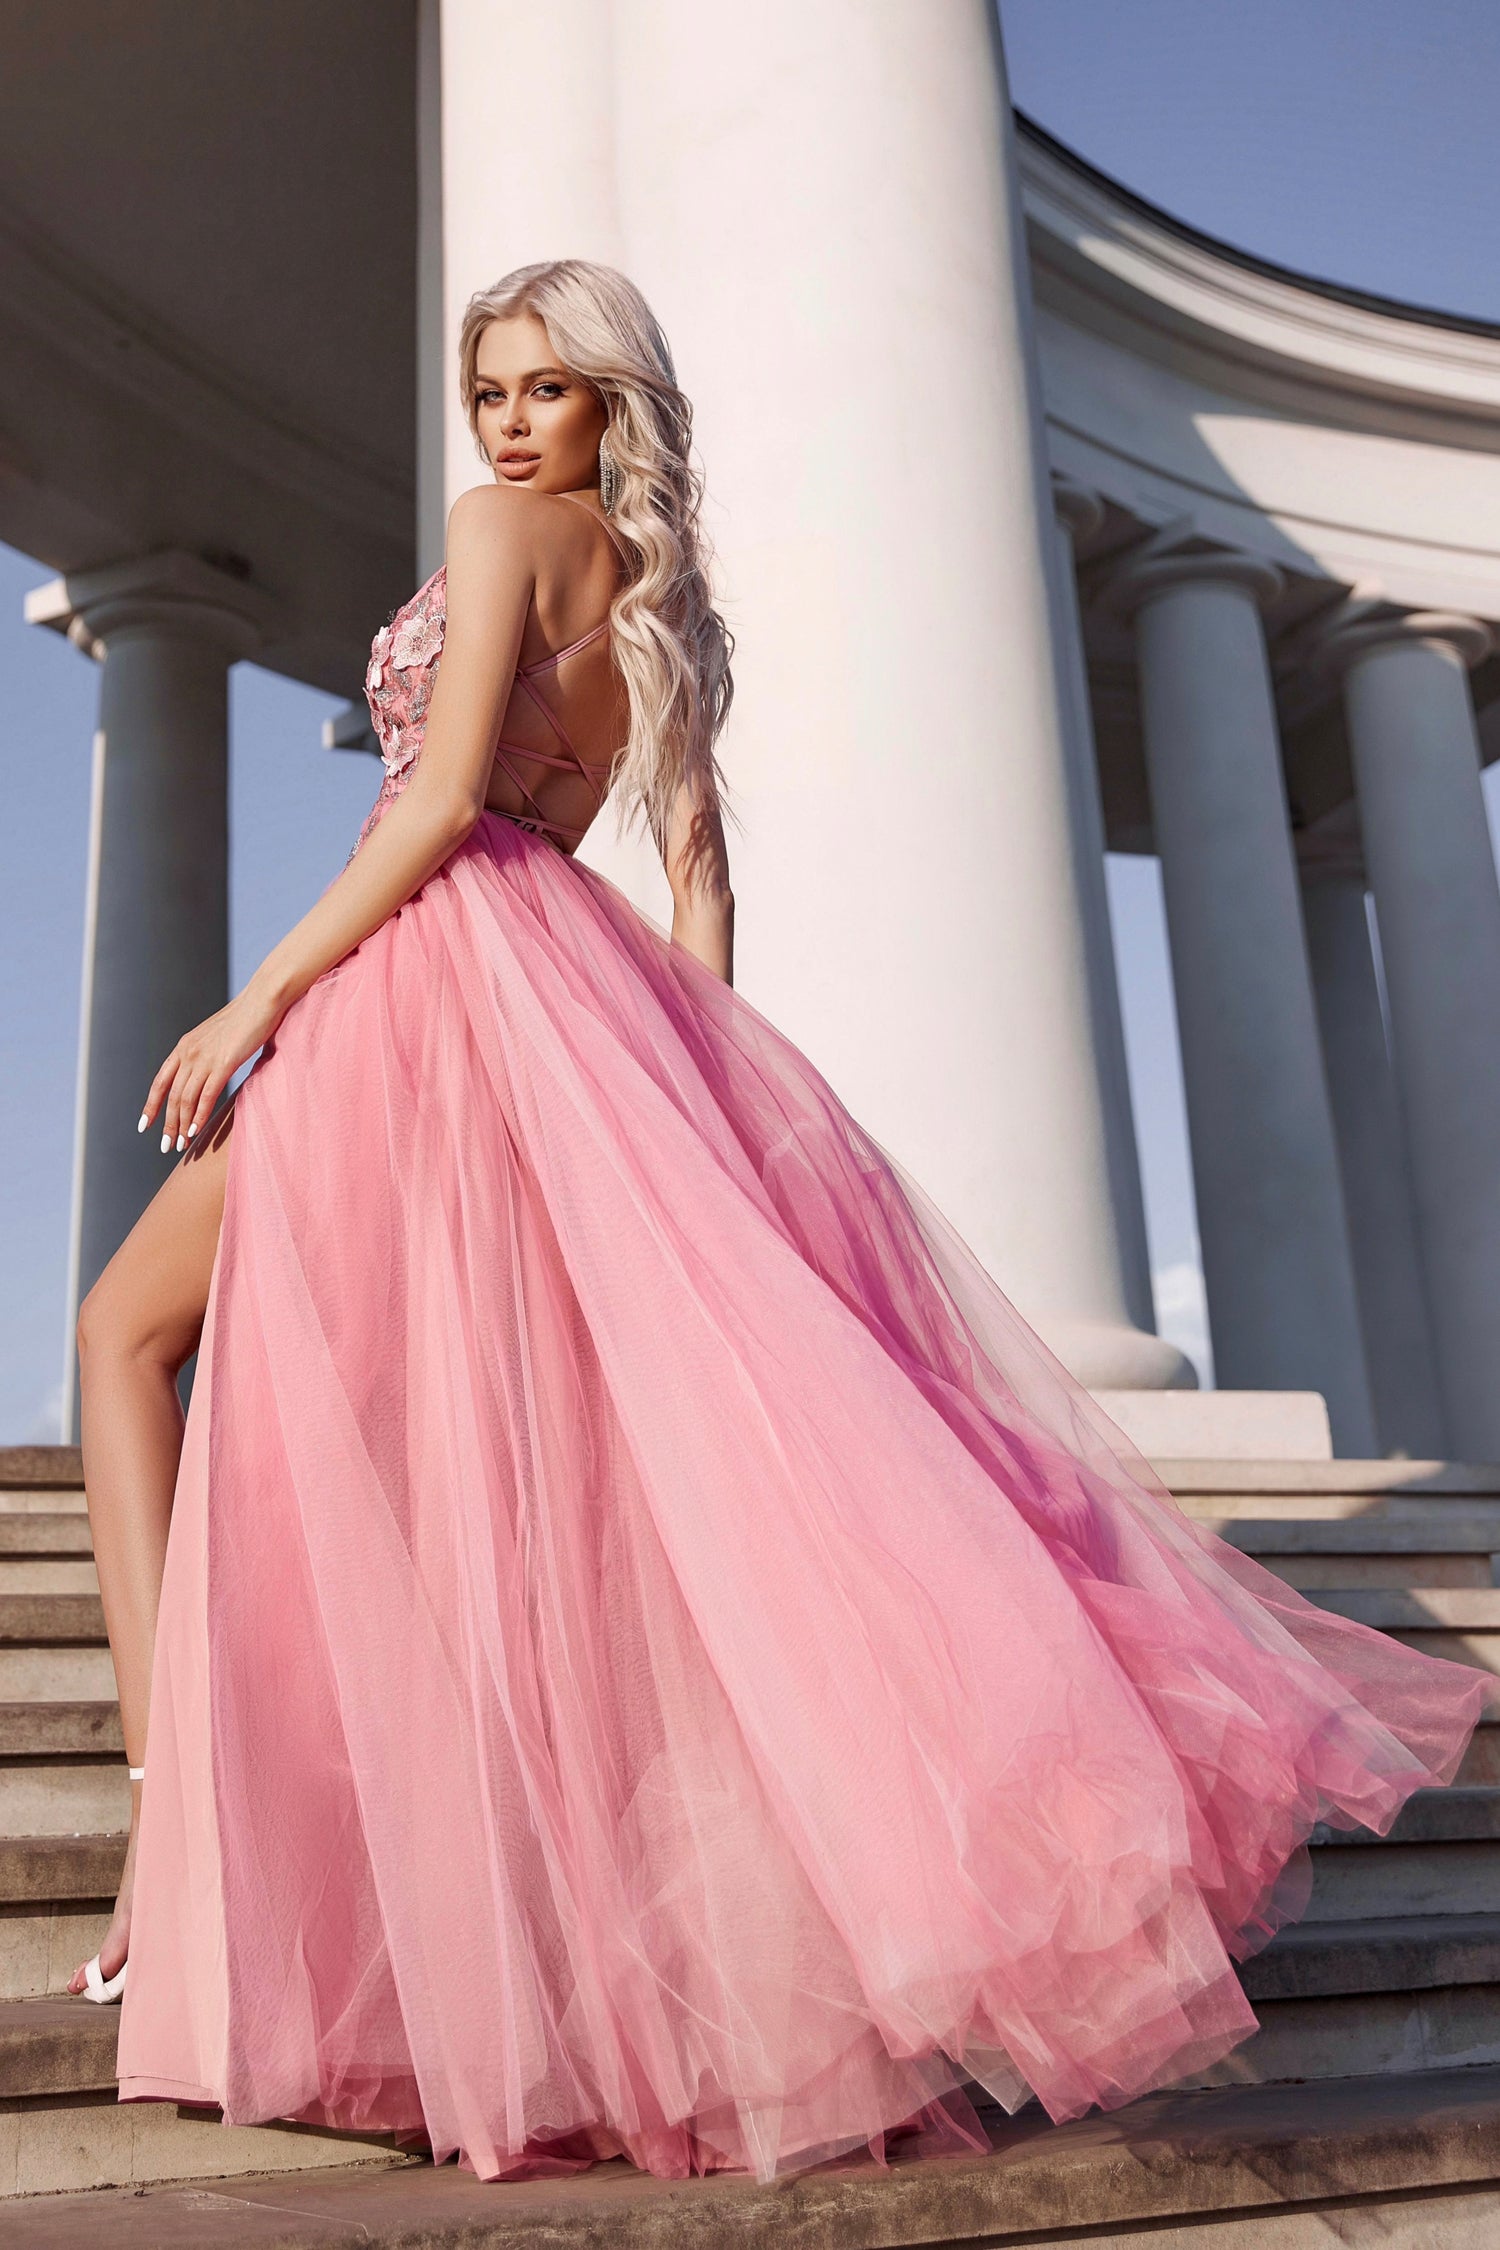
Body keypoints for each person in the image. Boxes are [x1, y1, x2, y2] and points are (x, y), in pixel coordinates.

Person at [71, 258, 1490, 2186]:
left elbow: (422, 816)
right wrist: (693, 1095)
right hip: (566, 1004)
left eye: (544, 388)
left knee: (129, 1338)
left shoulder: (502, 537)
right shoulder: (674, 617)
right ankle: (359, 1908)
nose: (503, 423)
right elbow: (702, 887)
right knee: (469, 1471)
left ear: (605, 409)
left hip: (426, 975)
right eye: (486, 388)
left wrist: (260, 1000)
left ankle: (183, 1855)